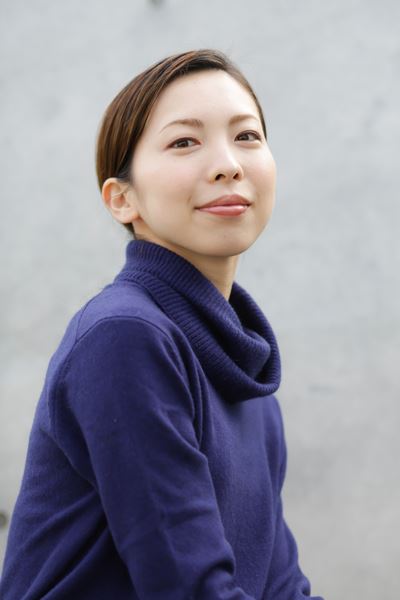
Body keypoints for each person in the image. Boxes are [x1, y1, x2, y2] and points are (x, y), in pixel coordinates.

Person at [0, 49, 324, 599]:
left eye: (247, 136)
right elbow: (187, 586)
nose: (228, 164)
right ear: (121, 199)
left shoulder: (244, 370)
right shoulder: (125, 336)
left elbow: (282, 586)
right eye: (184, 142)